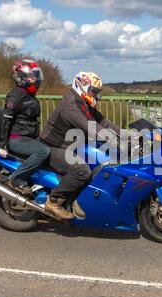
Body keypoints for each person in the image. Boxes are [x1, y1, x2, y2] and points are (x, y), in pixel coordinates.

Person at [39, 71, 121, 219]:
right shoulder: (71, 104)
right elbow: (91, 126)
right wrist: (112, 139)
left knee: (98, 162)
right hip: (54, 146)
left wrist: (125, 134)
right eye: (93, 91)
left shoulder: (83, 103)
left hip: (69, 146)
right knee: (81, 170)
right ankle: (53, 201)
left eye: (97, 92)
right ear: (82, 86)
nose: (96, 95)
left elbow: (101, 121)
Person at [0, 59, 50, 196]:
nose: (34, 79)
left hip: (27, 137)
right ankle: (16, 179)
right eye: (31, 76)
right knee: (42, 152)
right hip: (17, 139)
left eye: (35, 76)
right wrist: (2, 145)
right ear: (21, 77)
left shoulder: (28, 94)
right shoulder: (16, 94)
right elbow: (6, 119)